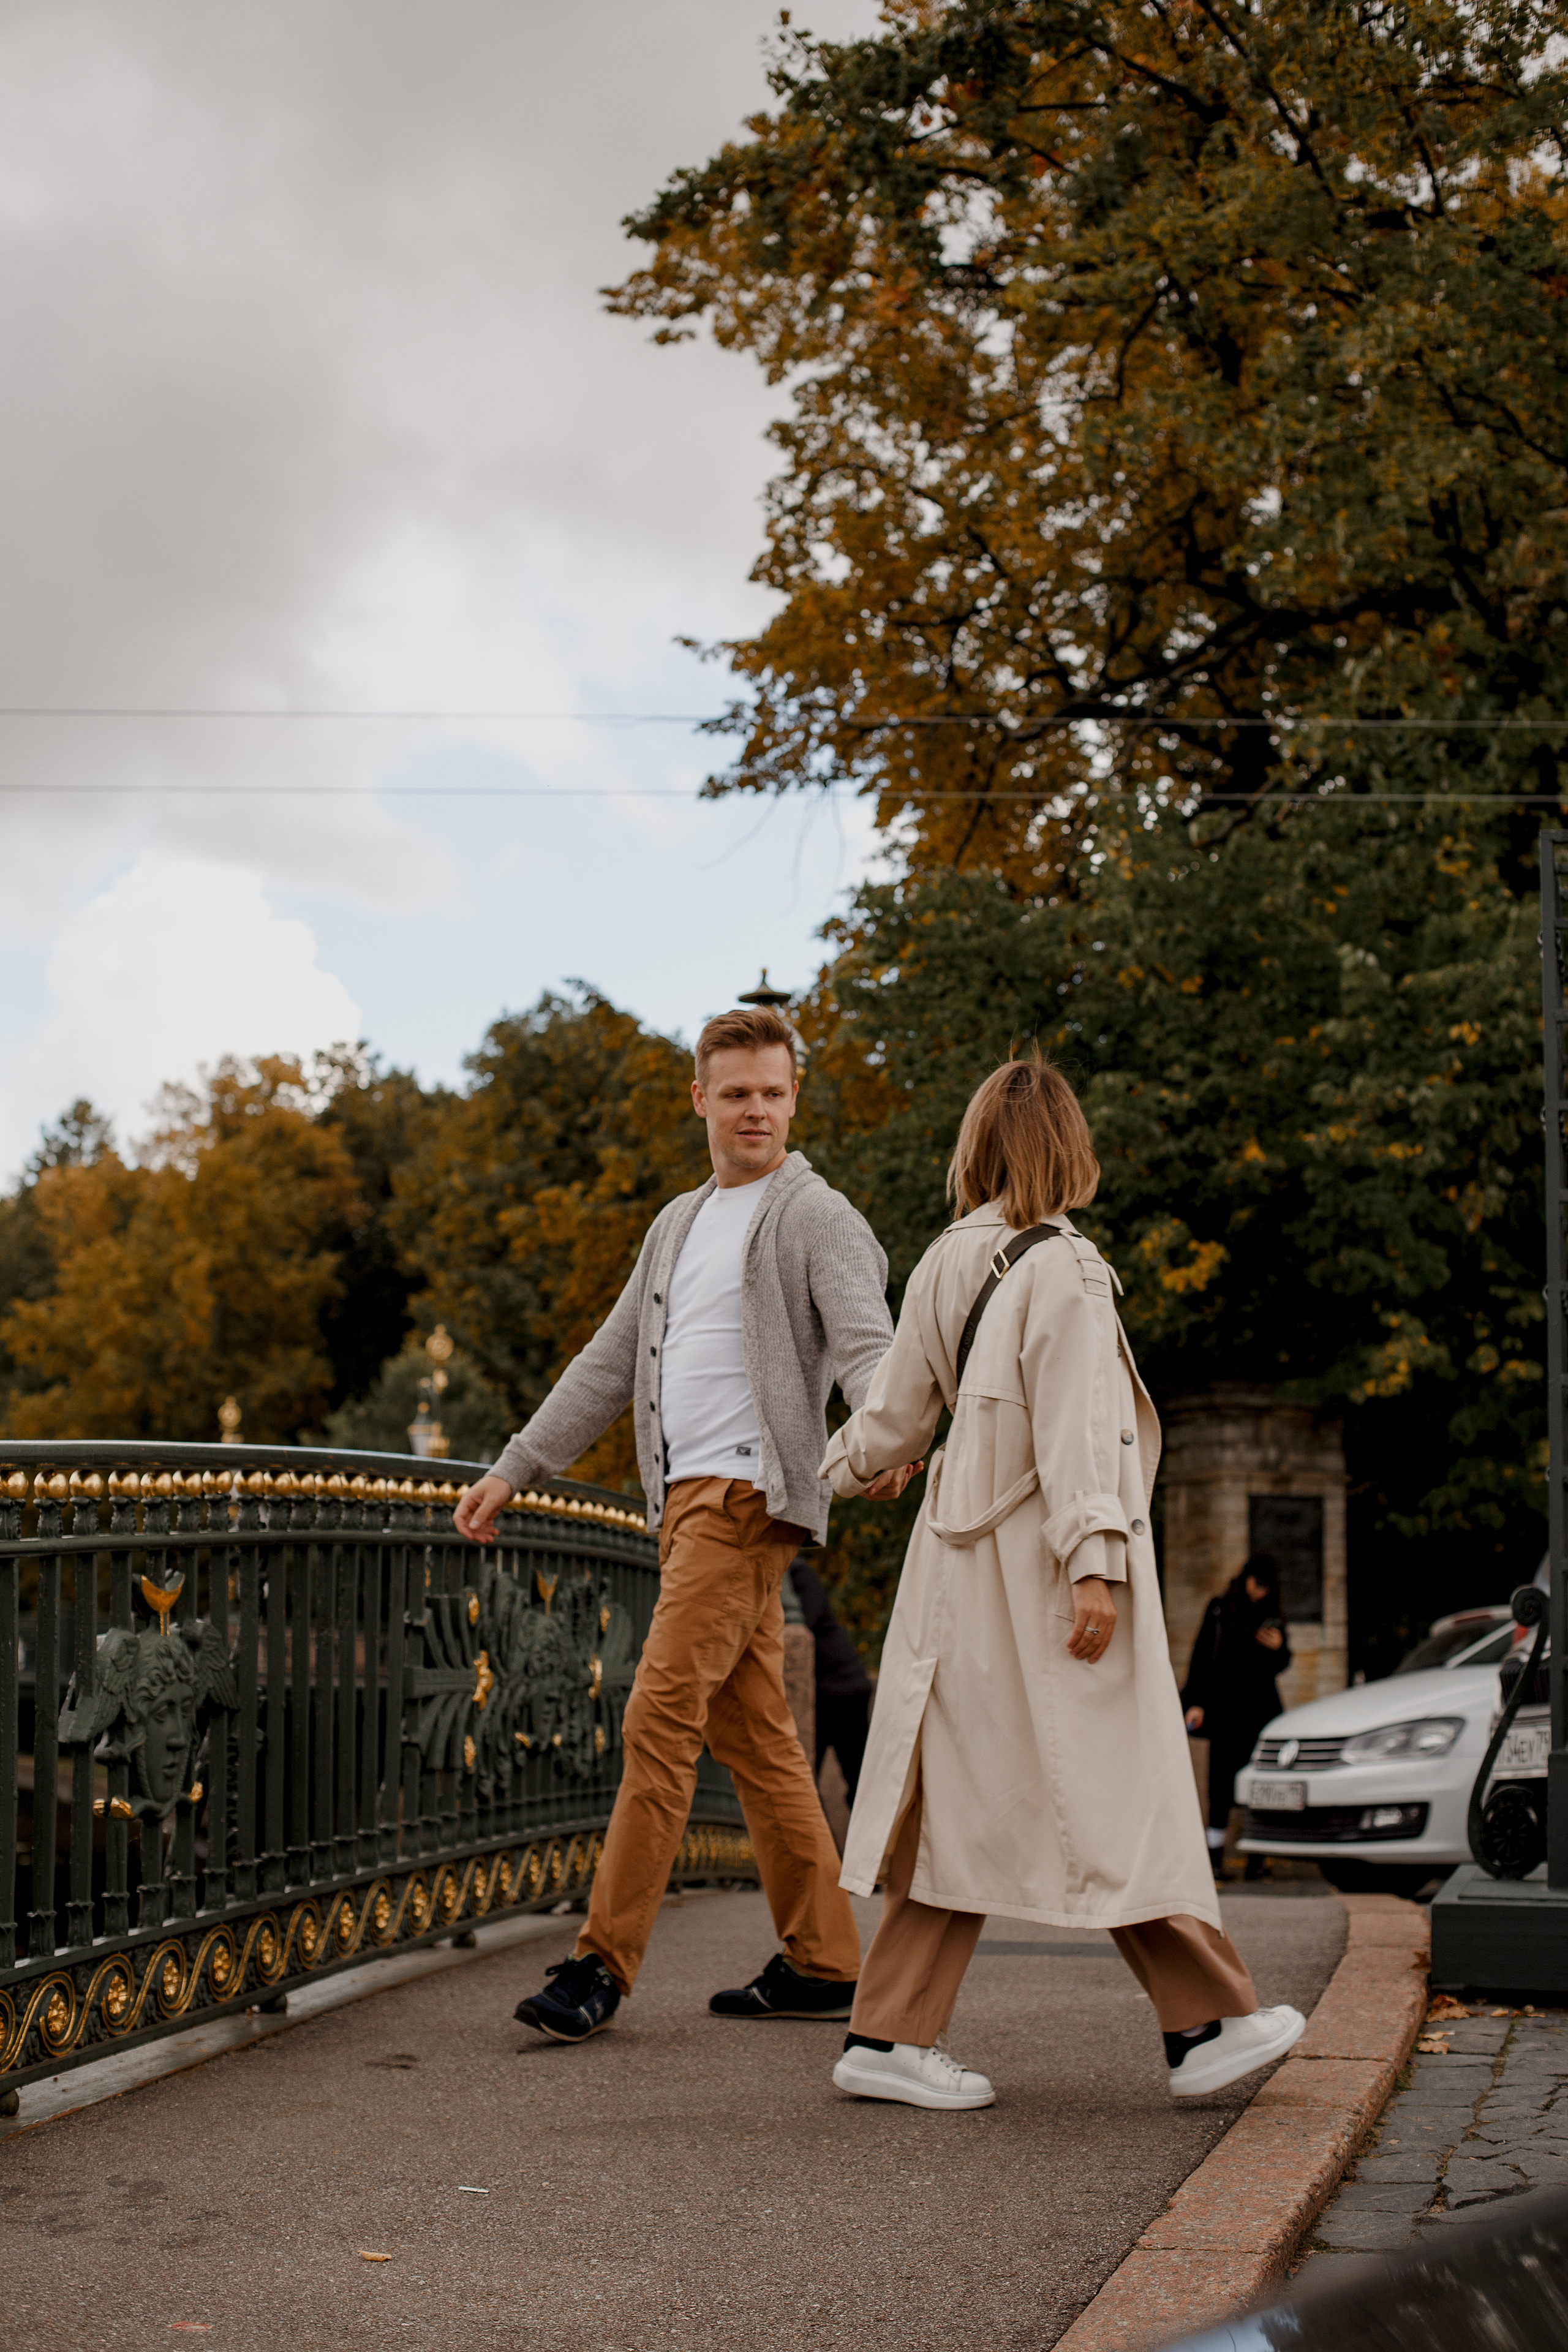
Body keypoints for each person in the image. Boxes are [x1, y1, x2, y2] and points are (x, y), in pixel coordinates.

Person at [818, 1055, 1305, 2112]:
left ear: (980, 1147)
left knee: (964, 1794)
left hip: (953, 1575)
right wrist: (1097, 1566)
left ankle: (890, 2036)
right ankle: (1204, 2026)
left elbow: (899, 1417)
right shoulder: (1072, 1270)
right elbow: (1085, 1433)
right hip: (1041, 1574)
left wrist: (843, 1466)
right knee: (1117, 1788)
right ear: (1072, 1148)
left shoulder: (949, 1258)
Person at [455, 1005, 908, 2043]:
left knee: (656, 1723)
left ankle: (597, 1966)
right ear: (701, 1099)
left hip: (747, 1501)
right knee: (759, 1744)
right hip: (683, 1507)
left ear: (795, 1099)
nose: (757, 1110)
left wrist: (884, 1434)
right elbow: (610, 1362)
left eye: (775, 1093)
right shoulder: (678, 1224)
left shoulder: (815, 1216)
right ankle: (827, 1959)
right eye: (738, 1092)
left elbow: (867, 1345)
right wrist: (514, 1468)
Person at [1182, 1556, 1292, 1879]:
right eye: (1257, 1583)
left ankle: (1256, 1862)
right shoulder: (1220, 1608)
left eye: (1267, 1586)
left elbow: (1280, 1665)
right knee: (1221, 1787)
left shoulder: (1273, 1616)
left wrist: (1279, 1649)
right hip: (1225, 1709)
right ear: (1245, 1578)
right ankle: (1214, 1860)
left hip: (1262, 1712)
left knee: (1259, 1786)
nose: (1260, 1591)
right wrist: (1196, 1702)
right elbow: (1202, 1656)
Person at [789, 1554, 875, 1804]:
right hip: (823, 1695)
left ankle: (869, 1841)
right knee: (806, 1784)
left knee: (859, 1782)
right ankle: (827, 1843)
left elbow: (804, 1623)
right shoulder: (792, 1572)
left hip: (843, 1691)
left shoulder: (797, 1573)